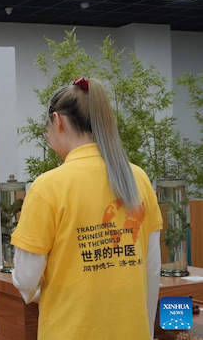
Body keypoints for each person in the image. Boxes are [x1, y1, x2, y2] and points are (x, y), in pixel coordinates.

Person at [11, 77, 163, 340]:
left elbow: (25, 279)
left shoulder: (47, 187)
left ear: (57, 121)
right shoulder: (138, 178)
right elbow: (151, 269)